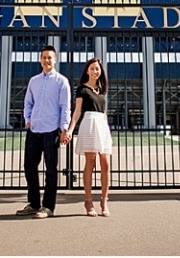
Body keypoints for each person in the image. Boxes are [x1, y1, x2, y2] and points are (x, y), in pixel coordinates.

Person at [15, 45, 71, 219]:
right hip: (34, 129)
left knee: (51, 170)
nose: (46, 60)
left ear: (55, 60)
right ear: (40, 60)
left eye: (50, 57)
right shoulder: (34, 81)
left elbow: (65, 107)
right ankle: (33, 203)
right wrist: (28, 119)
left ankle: (48, 207)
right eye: (44, 57)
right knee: (29, 166)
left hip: (51, 130)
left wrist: (64, 128)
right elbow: (28, 103)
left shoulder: (62, 81)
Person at [67, 57, 112, 217]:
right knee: (90, 162)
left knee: (105, 163)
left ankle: (104, 200)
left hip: (102, 125)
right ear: (87, 70)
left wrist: (106, 129)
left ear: (101, 72)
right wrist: (70, 130)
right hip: (89, 123)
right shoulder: (82, 89)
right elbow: (77, 111)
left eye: (97, 69)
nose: (95, 71)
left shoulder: (102, 90)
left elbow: (104, 112)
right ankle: (88, 201)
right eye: (92, 68)